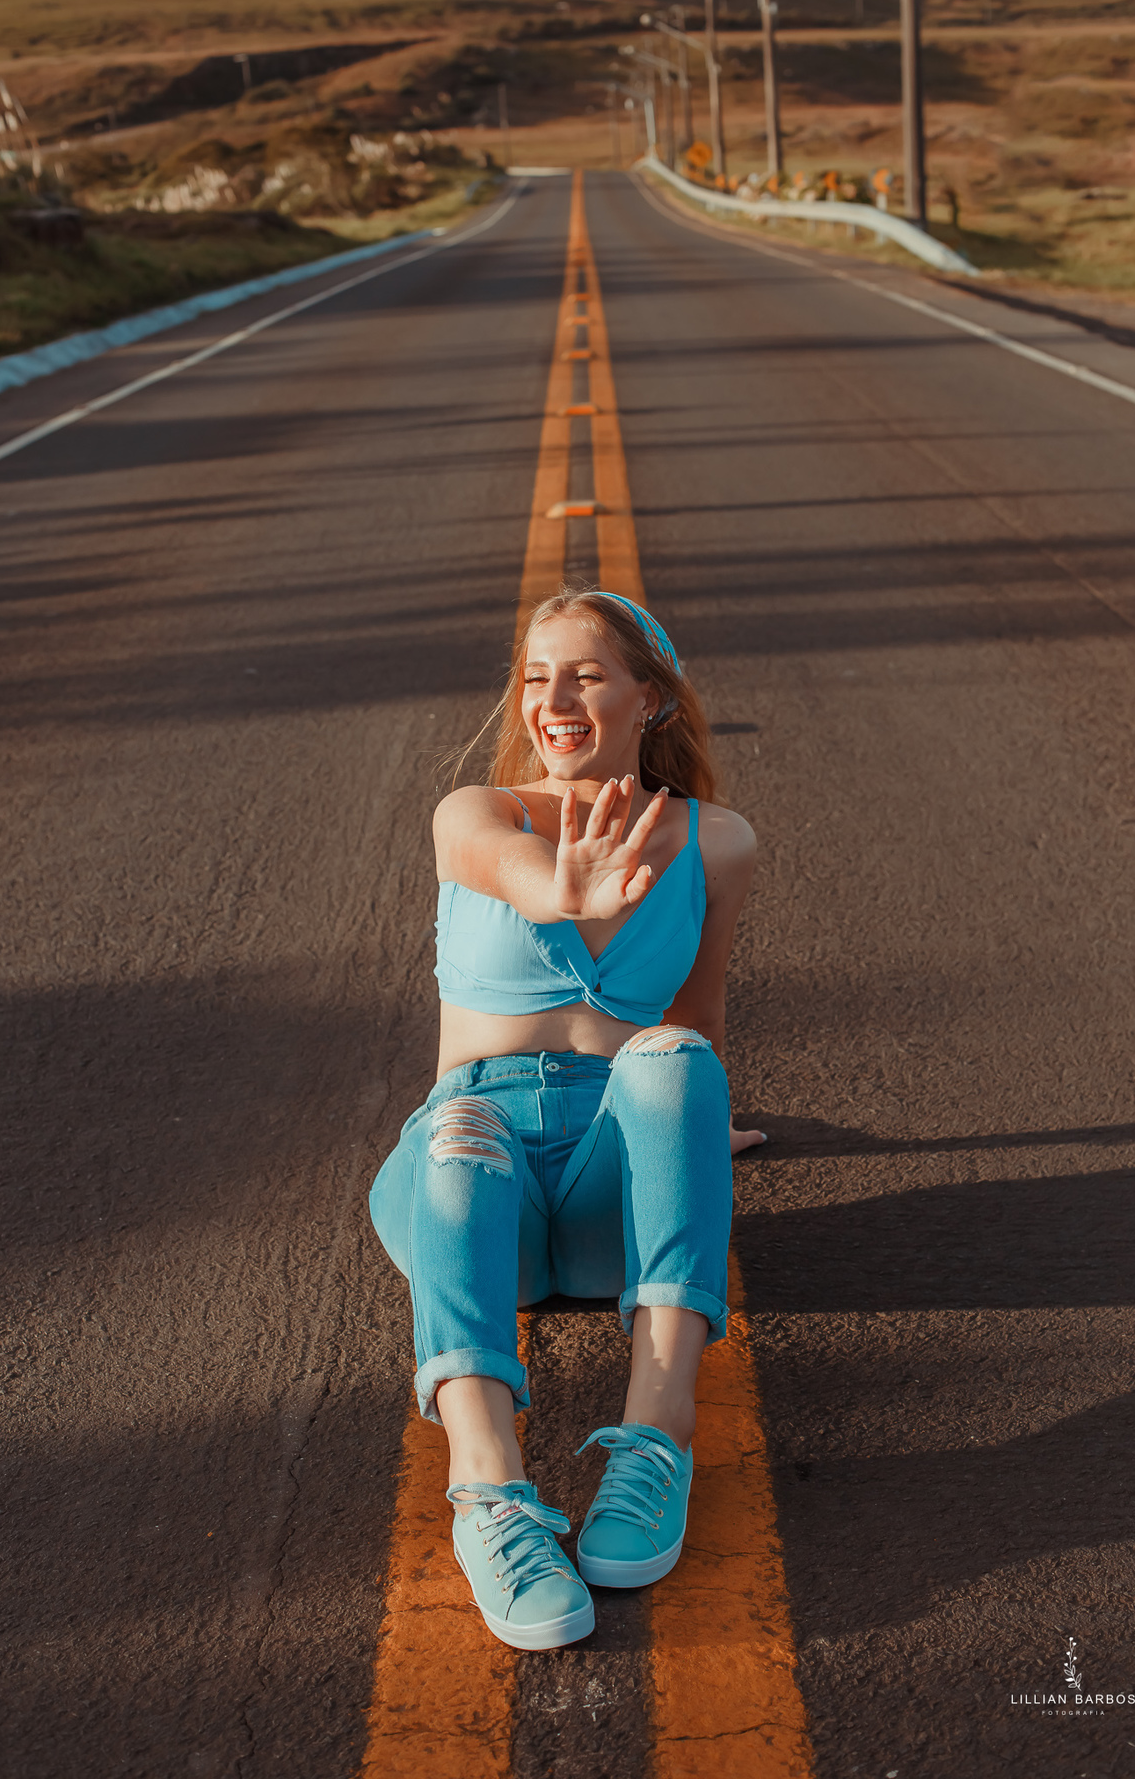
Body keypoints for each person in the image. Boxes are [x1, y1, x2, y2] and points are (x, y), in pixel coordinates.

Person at [369, 586, 763, 1652]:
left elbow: (699, 1015)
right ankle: (489, 1493)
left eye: (586, 676)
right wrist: (565, 889)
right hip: (471, 1170)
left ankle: (657, 1441)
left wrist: (689, 1132)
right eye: (537, 677)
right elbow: (514, 874)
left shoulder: (716, 843)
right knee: (460, 1141)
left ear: (651, 699)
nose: (554, 699)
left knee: (673, 1059)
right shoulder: (476, 813)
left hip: (606, 1192)